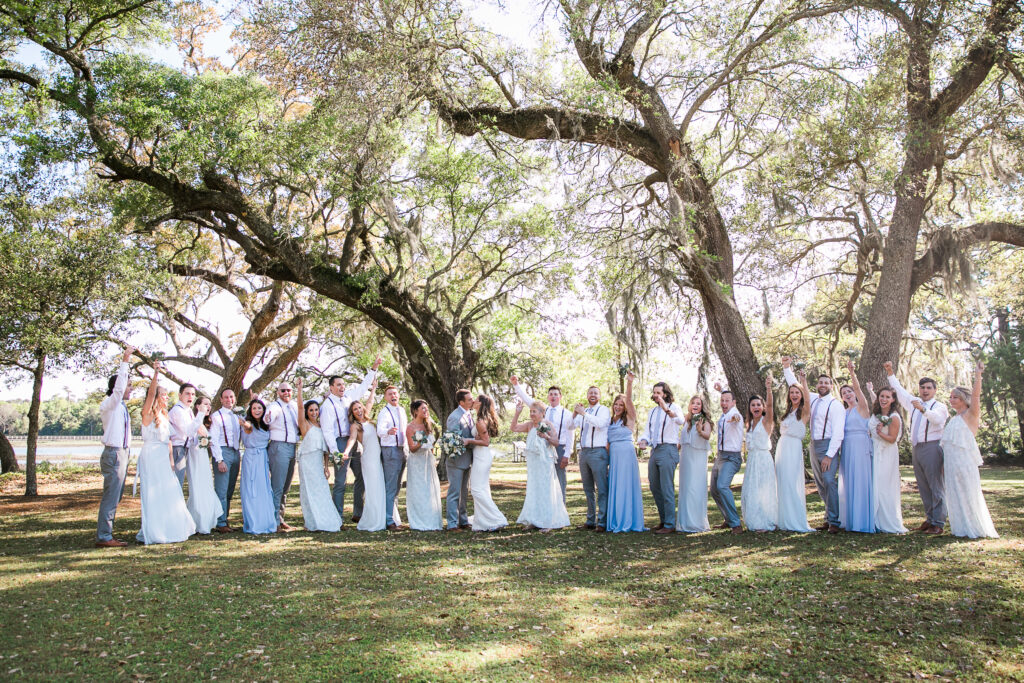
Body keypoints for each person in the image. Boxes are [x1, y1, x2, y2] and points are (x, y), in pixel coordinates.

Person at [885, 361, 949, 535]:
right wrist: (890, 372)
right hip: (917, 448)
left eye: (928, 387)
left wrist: (923, 410)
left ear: (934, 390)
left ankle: (938, 522)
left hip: (933, 447)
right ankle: (929, 518)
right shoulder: (914, 402)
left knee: (936, 484)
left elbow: (937, 420)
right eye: (922, 388)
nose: (925, 390)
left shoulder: (940, 406)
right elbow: (899, 391)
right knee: (923, 485)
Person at [136, 362, 196, 544]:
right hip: (150, 456)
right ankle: (154, 530)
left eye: (165, 395)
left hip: (163, 456)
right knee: (153, 492)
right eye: (163, 395)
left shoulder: (165, 415)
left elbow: (169, 441)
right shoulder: (147, 414)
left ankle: (167, 526)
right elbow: (151, 393)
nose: (165, 397)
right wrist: (155, 374)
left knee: (169, 491)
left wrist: (171, 461)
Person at [319, 358, 382, 523]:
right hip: (340, 443)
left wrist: (374, 369)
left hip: (355, 441)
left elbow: (362, 388)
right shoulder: (327, 406)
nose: (342, 387)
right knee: (340, 481)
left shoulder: (348, 397)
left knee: (361, 476)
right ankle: (337, 517)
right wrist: (335, 452)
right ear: (331, 387)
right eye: (338, 385)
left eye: (343, 384)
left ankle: (358, 513)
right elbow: (327, 431)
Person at [941, 361, 997, 539]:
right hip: (951, 463)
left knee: (968, 491)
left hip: (965, 462)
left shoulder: (970, 415)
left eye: (955, 397)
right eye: (950, 397)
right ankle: (959, 528)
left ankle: (973, 526)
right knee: (954, 492)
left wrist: (978, 375)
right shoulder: (953, 419)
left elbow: (976, 397)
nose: (951, 400)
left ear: (963, 399)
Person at [785, 369, 845, 533]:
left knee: (828, 480)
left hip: (828, 446)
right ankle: (828, 517)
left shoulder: (836, 405)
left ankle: (834, 521)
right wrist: (787, 368)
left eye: (826, 383)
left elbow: (839, 433)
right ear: (817, 385)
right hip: (814, 444)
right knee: (820, 484)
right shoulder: (812, 399)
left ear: (831, 386)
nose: (823, 385)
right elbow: (794, 384)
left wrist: (829, 455)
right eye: (820, 382)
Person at [96, 344, 135, 548]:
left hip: (123, 453)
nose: (131, 389)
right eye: (129, 385)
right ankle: (104, 537)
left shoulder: (121, 407)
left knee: (116, 495)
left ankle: (106, 532)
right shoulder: (110, 404)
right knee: (111, 496)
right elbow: (119, 388)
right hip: (113, 453)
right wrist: (125, 360)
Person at [512, 377, 575, 502]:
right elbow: (527, 399)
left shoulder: (566, 413)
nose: (553, 396)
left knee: (560, 479)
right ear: (548, 397)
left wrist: (567, 454)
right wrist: (516, 385)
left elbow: (570, 434)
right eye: (551, 394)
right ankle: (546, 504)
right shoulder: (542, 409)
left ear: (560, 397)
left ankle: (560, 508)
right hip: (542, 449)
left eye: (556, 394)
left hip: (559, 447)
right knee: (544, 479)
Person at [511, 400, 571, 532]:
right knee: (534, 489)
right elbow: (513, 428)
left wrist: (546, 436)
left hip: (545, 463)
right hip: (533, 463)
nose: (532, 414)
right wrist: (517, 413)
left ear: (542, 413)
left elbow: (556, 442)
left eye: (534, 411)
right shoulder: (529, 426)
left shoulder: (547, 424)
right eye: (531, 411)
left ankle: (548, 521)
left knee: (546, 490)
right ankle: (535, 520)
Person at [294, 378, 342, 532]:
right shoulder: (304, 424)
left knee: (322, 490)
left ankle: (326, 520)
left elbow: (325, 449)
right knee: (309, 490)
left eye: (316, 410)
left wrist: (326, 466)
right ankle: (312, 522)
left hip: (318, 462)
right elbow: (300, 407)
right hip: (307, 461)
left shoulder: (321, 426)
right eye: (311, 410)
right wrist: (300, 390)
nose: (314, 412)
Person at [638, 382, 686, 534]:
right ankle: (664, 519)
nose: (655, 395)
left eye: (658, 392)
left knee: (667, 487)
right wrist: (644, 440)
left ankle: (670, 524)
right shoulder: (652, 412)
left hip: (668, 449)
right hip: (655, 450)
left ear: (665, 394)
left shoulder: (674, 407)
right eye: (654, 392)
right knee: (654, 486)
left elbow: (681, 421)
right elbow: (647, 431)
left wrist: (667, 410)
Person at [605, 371, 647, 533]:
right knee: (615, 486)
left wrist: (629, 382)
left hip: (626, 454)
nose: (618, 407)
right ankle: (616, 519)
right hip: (614, 456)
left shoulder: (629, 418)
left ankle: (629, 520)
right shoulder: (610, 421)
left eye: (621, 405)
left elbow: (629, 400)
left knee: (626, 486)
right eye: (616, 404)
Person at [777, 359, 814, 532]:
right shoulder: (788, 412)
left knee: (792, 482)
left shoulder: (804, 412)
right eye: (791, 392)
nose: (794, 395)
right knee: (782, 481)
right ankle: (783, 517)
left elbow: (807, 397)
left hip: (793, 449)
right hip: (782, 448)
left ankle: (795, 519)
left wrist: (803, 383)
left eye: (796, 392)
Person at [342, 394, 389, 532]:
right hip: (369, 459)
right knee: (373, 489)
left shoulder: (369, 420)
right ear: (352, 413)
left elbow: (370, 401)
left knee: (380, 487)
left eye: (359, 407)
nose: (358, 410)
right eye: (355, 409)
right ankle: (372, 519)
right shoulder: (355, 426)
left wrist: (374, 388)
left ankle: (382, 517)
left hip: (377, 457)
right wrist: (346, 452)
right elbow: (351, 439)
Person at [841, 363, 876, 533]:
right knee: (850, 481)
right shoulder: (844, 412)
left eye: (849, 392)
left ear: (855, 394)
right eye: (844, 393)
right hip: (847, 448)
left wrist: (852, 373)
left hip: (861, 445)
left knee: (861, 480)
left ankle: (862, 521)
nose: (847, 394)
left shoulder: (862, 408)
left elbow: (857, 387)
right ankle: (851, 520)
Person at [868, 385, 907, 534]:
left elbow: (892, 439)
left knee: (884, 486)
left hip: (887, 453)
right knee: (875, 484)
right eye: (881, 396)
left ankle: (887, 521)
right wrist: (872, 391)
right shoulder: (877, 412)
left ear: (893, 400)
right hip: (875, 451)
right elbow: (873, 400)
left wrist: (879, 433)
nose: (884, 399)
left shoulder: (894, 417)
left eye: (887, 397)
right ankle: (875, 519)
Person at [740, 377, 778, 532]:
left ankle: (766, 521)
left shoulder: (766, 421)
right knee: (752, 490)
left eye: (758, 405)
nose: (755, 407)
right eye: (753, 405)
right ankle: (754, 520)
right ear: (749, 408)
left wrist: (768, 389)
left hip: (763, 459)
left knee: (764, 490)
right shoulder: (748, 425)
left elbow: (770, 405)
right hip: (752, 460)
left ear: (762, 407)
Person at [465, 395, 508, 531]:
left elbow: (486, 442)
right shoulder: (481, 419)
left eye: (476, 400)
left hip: (482, 457)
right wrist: (475, 437)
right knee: (482, 489)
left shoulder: (480, 421)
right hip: (481, 456)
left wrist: (469, 440)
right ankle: (484, 520)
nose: (473, 401)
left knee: (477, 490)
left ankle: (497, 518)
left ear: (481, 403)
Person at [573, 386, 611, 531]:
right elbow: (571, 426)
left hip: (598, 452)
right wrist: (575, 413)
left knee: (601, 487)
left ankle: (602, 521)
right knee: (588, 488)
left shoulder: (603, 410)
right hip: (584, 452)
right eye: (590, 393)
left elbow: (601, 424)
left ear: (599, 396)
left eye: (595, 393)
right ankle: (590, 520)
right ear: (587, 395)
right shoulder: (585, 411)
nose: (593, 395)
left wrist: (584, 414)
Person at [185, 396, 223, 534]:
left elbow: (203, 443)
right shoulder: (195, 421)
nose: (208, 407)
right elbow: (195, 443)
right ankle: (199, 522)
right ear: (198, 406)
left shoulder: (204, 423)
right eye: (205, 404)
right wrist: (208, 442)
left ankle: (205, 519)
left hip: (202, 459)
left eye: (209, 404)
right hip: (195, 458)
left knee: (206, 486)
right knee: (198, 488)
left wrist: (208, 441)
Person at [265, 381, 300, 532]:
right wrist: (268, 417)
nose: (287, 393)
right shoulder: (275, 406)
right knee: (277, 486)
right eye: (283, 390)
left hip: (293, 447)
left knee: (286, 486)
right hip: (279, 446)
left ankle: (280, 517)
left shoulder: (293, 406)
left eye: (289, 390)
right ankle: (273, 521)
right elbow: (270, 416)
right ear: (278, 392)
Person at [239, 398, 277, 535]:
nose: (257, 410)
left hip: (263, 458)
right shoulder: (247, 423)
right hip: (251, 458)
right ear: (250, 410)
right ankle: (254, 522)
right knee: (251, 489)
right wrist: (245, 424)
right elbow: (248, 427)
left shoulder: (266, 424)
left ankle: (266, 520)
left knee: (263, 489)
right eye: (254, 408)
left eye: (259, 408)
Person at [710, 384, 744, 533]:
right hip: (720, 456)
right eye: (722, 400)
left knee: (722, 486)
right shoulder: (723, 416)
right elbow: (726, 395)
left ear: (733, 402)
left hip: (732, 457)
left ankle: (736, 523)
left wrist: (735, 417)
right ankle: (728, 519)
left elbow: (736, 418)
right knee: (714, 490)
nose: (724, 403)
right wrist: (721, 389)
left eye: (727, 401)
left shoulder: (735, 415)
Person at [405, 399, 443, 531]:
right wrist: (421, 441)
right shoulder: (410, 427)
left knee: (430, 489)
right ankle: (419, 519)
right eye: (423, 409)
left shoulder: (429, 425)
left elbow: (432, 446)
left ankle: (431, 518)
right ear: (415, 411)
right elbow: (412, 449)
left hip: (428, 460)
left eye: (426, 409)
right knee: (419, 490)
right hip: (416, 462)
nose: (426, 411)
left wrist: (433, 457)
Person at [676, 395, 711, 533]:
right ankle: (684, 522)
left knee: (695, 487)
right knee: (686, 487)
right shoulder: (686, 419)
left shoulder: (705, 421)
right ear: (690, 405)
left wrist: (700, 430)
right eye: (693, 403)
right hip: (685, 456)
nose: (695, 405)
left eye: (698, 403)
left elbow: (707, 435)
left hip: (698, 456)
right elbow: (682, 439)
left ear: (702, 406)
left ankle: (696, 522)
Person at [209, 388, 241, 533]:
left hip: (235, 452)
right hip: (223, 452)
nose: (229, 400)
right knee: (221, 489)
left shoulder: (236, 416)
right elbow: (213, 439)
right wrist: (219, 459)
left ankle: (225, 519)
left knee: (230, 489)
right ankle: (220, 522)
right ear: (221, 400)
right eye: (226, 397)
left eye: (231, 397)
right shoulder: (216, 416)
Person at [376, 385, 408, 530]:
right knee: (390, 485)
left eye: (395, 393)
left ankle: (395, 517)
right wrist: (388, 431)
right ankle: (388, 520)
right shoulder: (384, 412)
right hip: (390, 450)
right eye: (390, 394)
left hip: (402, 449)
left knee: (397, 485)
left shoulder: (401, 410)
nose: (393, 396)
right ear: (385, 397)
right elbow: (379, 430)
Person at [444, 390, 476, 531]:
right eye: (469, 400)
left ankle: (463, 520)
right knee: (454, 492)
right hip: (456, 461)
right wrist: (473, 441)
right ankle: (452, 523)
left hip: (467, 459)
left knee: (464, 492)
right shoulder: (454, 417)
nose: (472, 401)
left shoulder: (469, 414)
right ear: (461, 402)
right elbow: (453, 440)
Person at [167, 382, 198, 489]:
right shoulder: (177, 411)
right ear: (180, 395)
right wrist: (201, 414)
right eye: (187, 394)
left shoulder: (188, 411)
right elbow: (189, 431)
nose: (190, 397)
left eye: (193, 394)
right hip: (177, 449)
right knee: (176, 483)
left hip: (186, 448)